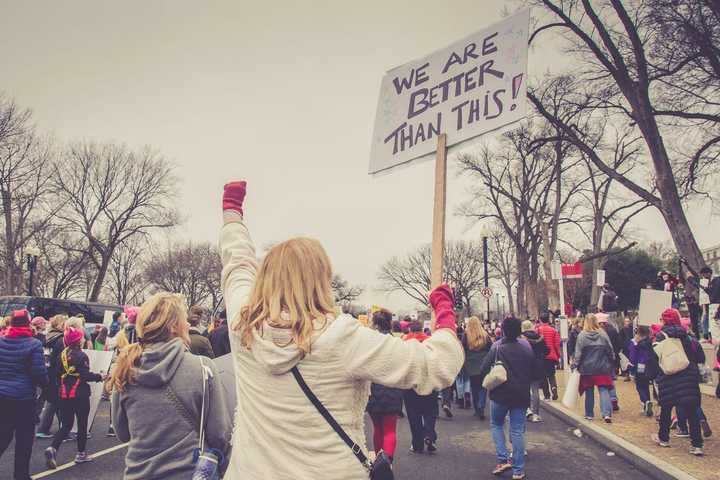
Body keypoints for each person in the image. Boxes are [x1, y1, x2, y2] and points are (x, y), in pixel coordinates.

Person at [219, 181, 464, 479]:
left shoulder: (242, 325)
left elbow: (237, 262)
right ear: (321, 280)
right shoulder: (341, 338)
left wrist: (232, 213)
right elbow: (435, 365)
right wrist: (445, 313)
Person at [111, 292, 232, 479]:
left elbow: (123, 433)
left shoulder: (125, 369)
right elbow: (220, 435)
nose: (189, 324)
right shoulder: (203, 368)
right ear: (174, 326)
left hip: (138, 473)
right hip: (188, 474)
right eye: (185, 319)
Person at [478, 317, 534, 480]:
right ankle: (518, 470)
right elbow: (533, 371)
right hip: (521, 393)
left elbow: (483, 368)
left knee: (496, 424)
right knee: (517, 430)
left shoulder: (497, 347)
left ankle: (502, 459)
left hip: (500, 394)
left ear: (503, 330)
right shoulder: (526, 347)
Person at [45, 326, 106, 468]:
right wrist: (100, 376)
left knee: (66, 425)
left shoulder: (62, 353)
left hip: (64, 393)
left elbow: (57, 372)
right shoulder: (82, 356)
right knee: (82, 424)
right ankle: (81, 454)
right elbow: (85, 376)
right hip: (80, 394)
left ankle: (53, 447)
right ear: (79, 340)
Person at [0, 310, 48, 480]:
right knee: (24, 441)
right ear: (28, 324)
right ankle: (20, 476)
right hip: (24, 399)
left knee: (3, 435)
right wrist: (47, 387)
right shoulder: (34, 344)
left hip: (3, 397)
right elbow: (38, 374)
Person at [650, 308, 704, 455]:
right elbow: (699, 356)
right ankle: (697, 444)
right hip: (688, 377)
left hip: (668, 376)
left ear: (665, 320)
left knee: (666, 409)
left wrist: (654, 375)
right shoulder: (687, 335)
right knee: (692, 411)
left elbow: (654, 358)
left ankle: (664, 439)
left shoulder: (660, 336)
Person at [365, 309, 403, 468]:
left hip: (373, 388)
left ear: (375, 324)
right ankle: (387, 462)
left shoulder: (369, 343)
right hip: (392, 387)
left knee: (377, 428)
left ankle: (378, 462)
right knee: (389, 430)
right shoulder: (397, 343)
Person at [574, 314, 615, 423]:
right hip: (602, 366)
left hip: (587, 368)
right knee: (603, 389)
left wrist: (575, 365)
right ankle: (606, 414)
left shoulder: (582, 336)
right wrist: (612, 360)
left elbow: (578, 354)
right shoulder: (603, 334)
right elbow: (610, 349)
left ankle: (589, 414)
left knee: (589, 390)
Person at [37, 315, 68, 439]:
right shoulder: (60, 339)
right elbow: (60, 359)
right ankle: (46, 429)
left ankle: (62, 429)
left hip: (47, 371)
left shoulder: (48, 336)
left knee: (54, 401)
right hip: (55, 374)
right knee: (54, 401)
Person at [463, 316, 492, 420]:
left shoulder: (466, 336)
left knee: (474, 388)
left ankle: (477, 408)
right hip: (484, 364)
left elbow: (463, 350)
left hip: (471, 365)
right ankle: (481, 406)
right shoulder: (485, 336)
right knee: (484, 387)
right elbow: (490, 349)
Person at [522, 320, 549, 422]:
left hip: (525, 365)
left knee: (525, 389)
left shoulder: (521, 338)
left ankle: (527, 409)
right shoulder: (539, 337)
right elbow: (547, 350)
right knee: (535, 390)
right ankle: (536, 413)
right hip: (538, 365)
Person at [628, 326, 658, 417]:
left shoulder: (635, 343)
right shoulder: (649, 343)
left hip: (639, 366)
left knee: (640, 386)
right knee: (645, 385)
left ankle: (645, 401)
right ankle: (647, 403)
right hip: (649, 366)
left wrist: (631, 370)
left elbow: (632, 357)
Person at [597, 313, 622, 411]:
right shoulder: (613, 330)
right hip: (612, 359)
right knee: (610, 379)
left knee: (602, 383)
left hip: (600, 359)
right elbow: (618, 343)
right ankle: (613, 398)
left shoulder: (597, 332)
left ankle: (607, 403)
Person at [537, 313, 560, 401]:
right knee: (551, 375)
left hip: (541, 356)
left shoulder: (538, 330)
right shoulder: (553, 331)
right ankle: (554, 390)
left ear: (540, 320)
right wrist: (558, 356)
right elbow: (557, 345)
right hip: (551, 356)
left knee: (543, 376)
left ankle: (547, 395)